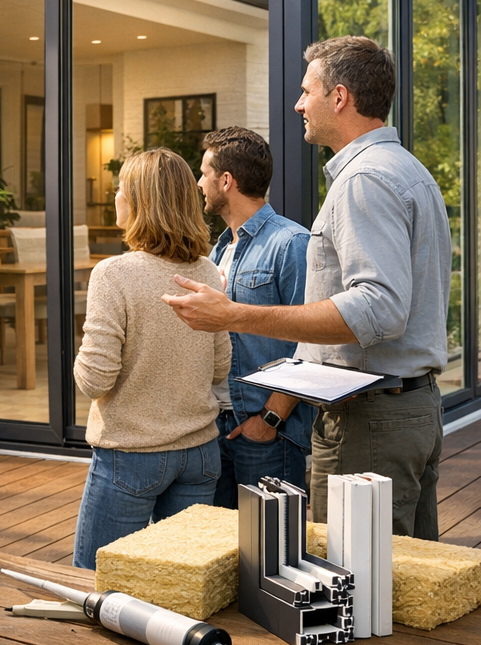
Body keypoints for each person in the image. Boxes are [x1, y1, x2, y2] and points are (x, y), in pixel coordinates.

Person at [164, 37, 450, 538]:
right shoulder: (405, 170)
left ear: (339, 97)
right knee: (403, 580)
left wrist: (233, 314)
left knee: (359, 586)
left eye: (306, 91)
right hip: (398, 410)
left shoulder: (367, 180)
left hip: (370, 419)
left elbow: (379, 309)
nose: (298, 104)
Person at [73, 148, 231, 569]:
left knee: (99, 583)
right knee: (179, 584)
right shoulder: (206, 271)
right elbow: (220, 368)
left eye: (120, 189)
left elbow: (94, 381)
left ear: (141, 201)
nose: (115, 197)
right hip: (199, 454)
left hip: (131, 454)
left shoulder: (113, 275)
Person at [197, 127, 312, 508]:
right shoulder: (220, 248)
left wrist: (270, 420)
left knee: (270, 554)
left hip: (265, 431)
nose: (200, 184)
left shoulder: (290, 244)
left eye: (204, 173)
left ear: (226, 181)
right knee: (222, 554)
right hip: (218, 428)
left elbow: (309, 344)